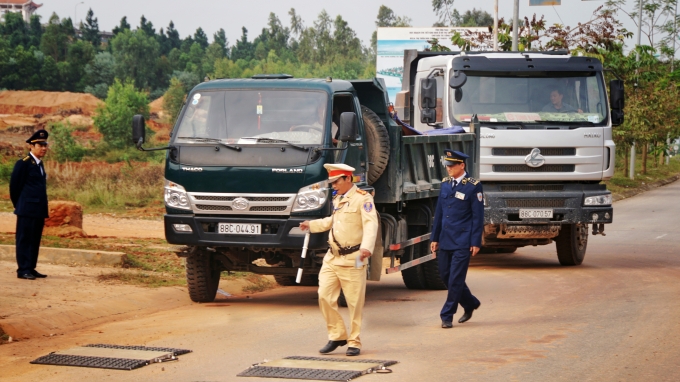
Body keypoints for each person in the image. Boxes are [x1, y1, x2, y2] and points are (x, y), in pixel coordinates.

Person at [299, 164, 379, 356]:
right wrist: (312, 224)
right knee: (324, 296)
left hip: (354, 257)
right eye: (332, 182)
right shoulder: (338, 198)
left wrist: (367, 248)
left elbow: (371, 224)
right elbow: (332, 222)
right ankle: (337, 335)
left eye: (336, 181)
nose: (333, 185)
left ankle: (354, 341)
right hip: (332, 257)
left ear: (347, 179)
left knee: (354, 302)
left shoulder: (363, 198)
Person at [430, 150, 483, 328]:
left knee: (455, 279)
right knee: (445, 275)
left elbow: (477, 217)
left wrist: (475, 241)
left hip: (463, 240)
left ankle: (447, 315)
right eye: (447, 165)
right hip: (445, 238)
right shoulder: (445, 184)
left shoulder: (473, 186)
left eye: (452, 165)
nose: (448, 169)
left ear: (462, 165)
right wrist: (434, 237)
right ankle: (470, 303)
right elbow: (439, 213)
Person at [10, 129, 50, 280]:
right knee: (24, 239)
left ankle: (31, 268)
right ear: (31, 147)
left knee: (34, 239)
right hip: (26, 209)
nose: (44, 148)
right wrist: (19, 205)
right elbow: (15, 187)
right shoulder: (23, 164)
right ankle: (23, 269)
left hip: (38, 209)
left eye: (45, 144)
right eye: (40, 145)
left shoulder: (39, 164)